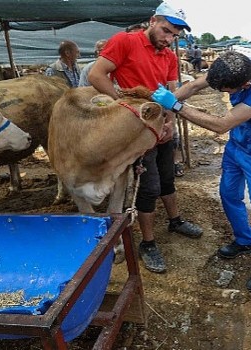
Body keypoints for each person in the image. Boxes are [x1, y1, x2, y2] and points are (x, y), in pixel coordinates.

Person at [152, 51, 251, 293]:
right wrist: (163, 103)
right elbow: (193, 86)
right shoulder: (231, 66)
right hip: (237, 144)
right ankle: (245, 239)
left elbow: (221, 124)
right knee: (228, 194)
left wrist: (176, 106)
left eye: (227, 92)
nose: (224, 94)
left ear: (244, 85)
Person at [87, 1, 203, 273]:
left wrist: (170, 121)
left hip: (161, 122)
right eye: (166, 31)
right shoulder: (125, 41)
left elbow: (172, 92)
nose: (169, 39)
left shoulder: (169, 55)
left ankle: (175, 220)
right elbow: (96, 74)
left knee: (167, 177)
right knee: (148, 185)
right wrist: (121, 105)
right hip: (138, 128)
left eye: (174, 35)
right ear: (153, 21)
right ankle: (148, 243)